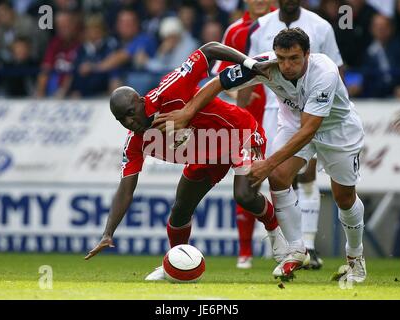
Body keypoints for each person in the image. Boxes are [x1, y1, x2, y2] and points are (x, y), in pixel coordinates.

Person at [155, 28, 367, 283]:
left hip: (337, 130)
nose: (287, 66)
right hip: (292, 125)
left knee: (343, 197)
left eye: (294, 59)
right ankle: (296, 250)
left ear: (308, 55)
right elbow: (219, 81)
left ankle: (355, 258)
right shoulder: (264, 65)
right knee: (278, 177)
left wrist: (267, 162)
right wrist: (188, 113)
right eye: (282, 58)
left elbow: (310, 129)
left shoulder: (325, 72)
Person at [84, 42, 288, 281]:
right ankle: (174, 263)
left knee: (243, 195)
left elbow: (210, 48)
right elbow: (126, 189)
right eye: (122, 120)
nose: (129, 122)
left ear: (140, 100)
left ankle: (276, 236)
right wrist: (108, 233)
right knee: (180, 210)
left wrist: (250, 63)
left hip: (239, 133)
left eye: (130, 112)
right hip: (207, 155)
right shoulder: (136, 142)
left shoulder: (170, 89)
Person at [238, 0, 345, 270]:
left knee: (306, 174)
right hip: (273, 109)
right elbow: (247, 69)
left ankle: (308, 245)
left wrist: (336, 106)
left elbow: (338, 68)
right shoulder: (260, 26)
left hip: (312, 108)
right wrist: (240, 113)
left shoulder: (321, 26)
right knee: (275, 176)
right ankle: (288, 246)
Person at [211, 0, 276, 269]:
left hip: (282, 116)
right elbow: (220, 77)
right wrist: (242, 96)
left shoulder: (285, 27)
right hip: (249, 119)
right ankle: (245, 252)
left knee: (285, 181)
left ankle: (294, 246)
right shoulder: (235, 31)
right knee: (247, 182)